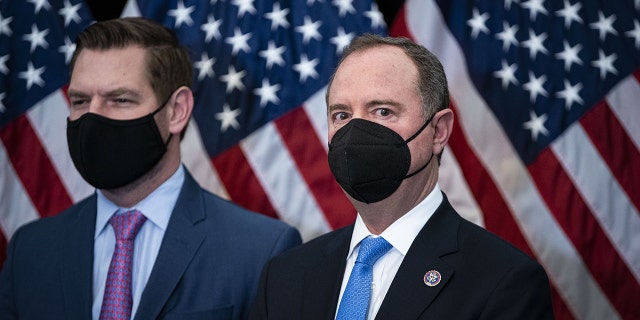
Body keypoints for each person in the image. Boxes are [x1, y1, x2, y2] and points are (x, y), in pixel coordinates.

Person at [0, 17, 301, 320]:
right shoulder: (30, 251)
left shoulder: (262, 251)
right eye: (80, 100)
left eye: (120, 99)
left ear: (177, 111)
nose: (92, 118)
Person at [250, 34, 554, 319]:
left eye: (382, 111)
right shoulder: (284, 276)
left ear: (438, 132)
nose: (356, 132)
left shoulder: (504, 281)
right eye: (341, 115)